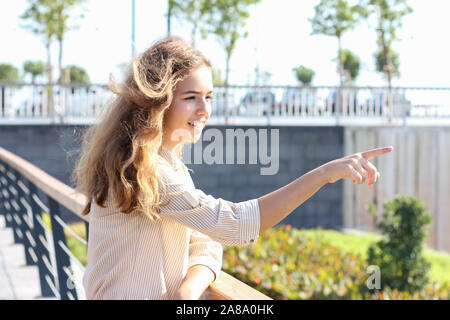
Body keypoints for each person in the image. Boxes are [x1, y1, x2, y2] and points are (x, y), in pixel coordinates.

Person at [72, 36, 393, 300]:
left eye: (209, 96)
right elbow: (234, 225)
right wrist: (324, 174)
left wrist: (190, 288)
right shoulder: (146, 171)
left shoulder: (164, 163)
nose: (204, 110)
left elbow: (206, 239)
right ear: (158, 101)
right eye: (191, 97)